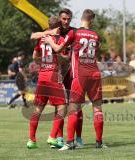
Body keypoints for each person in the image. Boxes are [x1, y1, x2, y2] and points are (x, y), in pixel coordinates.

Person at [43, 9, 106, 150]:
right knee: (98, 108)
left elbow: (58, 49)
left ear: (81, 18)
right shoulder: (96, 35)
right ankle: (99, 142)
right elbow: (97, 49)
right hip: (95, 73)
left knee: (73, 108)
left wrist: (48, 41)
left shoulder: (75, 33)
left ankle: (70, 142)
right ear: (92, 20)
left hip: (80, 74)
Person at [31, 8, 84, 148]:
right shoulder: (55, 33)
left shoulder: (74, 32)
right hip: (56, 74)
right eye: (63, 19)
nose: (66, 21)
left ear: (71, 19)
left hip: (70, 73)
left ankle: (77, 138)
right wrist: (49, 34)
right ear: (59, 19)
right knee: (60, 106)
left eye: (68, 19)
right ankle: (58, 138)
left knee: (75, 106)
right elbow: (33, 36)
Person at [27, 17, 67, 149]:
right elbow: (64, 55)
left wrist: (44, 63)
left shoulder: (42, 38)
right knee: (62, 108)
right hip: (53, 76)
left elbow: (34, 57)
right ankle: (52, 137)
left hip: (42, 76)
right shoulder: (59, 39)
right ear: (59, 27)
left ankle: (31, 140)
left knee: (38, 109)